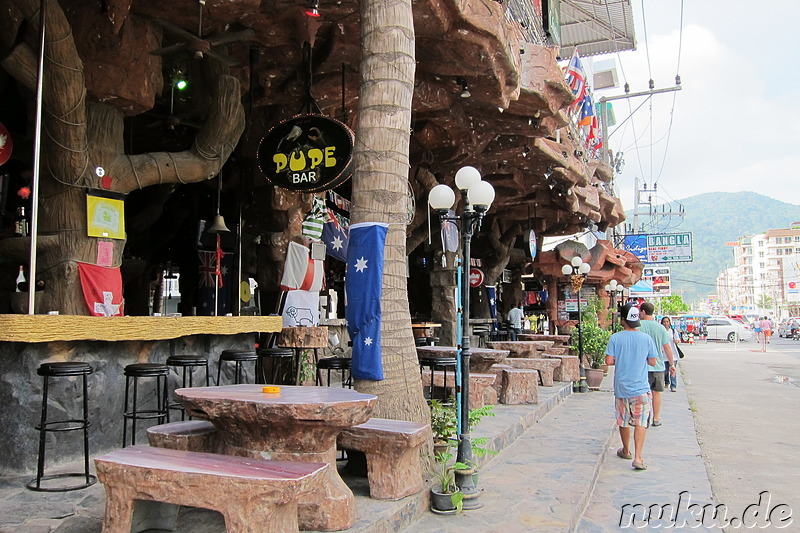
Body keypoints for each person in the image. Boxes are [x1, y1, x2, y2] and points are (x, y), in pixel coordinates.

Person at [605, 304, 658, 470]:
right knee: (641, 421)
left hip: (622, 387)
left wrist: (621, 359)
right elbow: (653, 361)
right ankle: (638, 457)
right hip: (641, 387)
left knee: (623, 420)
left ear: (623, 320)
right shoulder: (646, 339)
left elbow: (608, 361)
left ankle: (626, 450)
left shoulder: (615, 338)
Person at [637, 302, 675, 426]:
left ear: (642, 312)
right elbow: (667, 347)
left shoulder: (637, 326)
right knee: (656, 392)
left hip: (641, 366)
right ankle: (656, 418)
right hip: (657, 366)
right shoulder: (660, 328)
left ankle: (644, 417)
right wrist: (672, 364)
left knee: (642, 393)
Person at [661, 316, 680, 392]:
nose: (666, 323)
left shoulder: (673, 331)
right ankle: (666, 382)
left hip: (673, 354)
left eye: (667, 322)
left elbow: (678, 339)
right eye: (664, 322)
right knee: (665, 371)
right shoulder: (661, 331)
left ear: (669, 323)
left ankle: (673, 385)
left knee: (672, 369)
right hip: (664, 355)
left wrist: (676, 341)